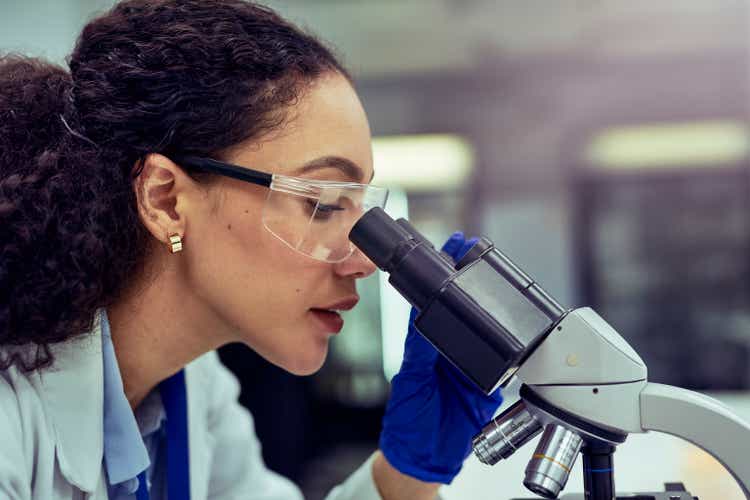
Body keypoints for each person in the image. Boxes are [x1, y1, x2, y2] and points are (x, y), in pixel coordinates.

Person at [0, 1, 503, 498]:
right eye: (324, 203)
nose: (365, 261)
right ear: (166, 200)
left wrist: (404, 475)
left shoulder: (194, 392)